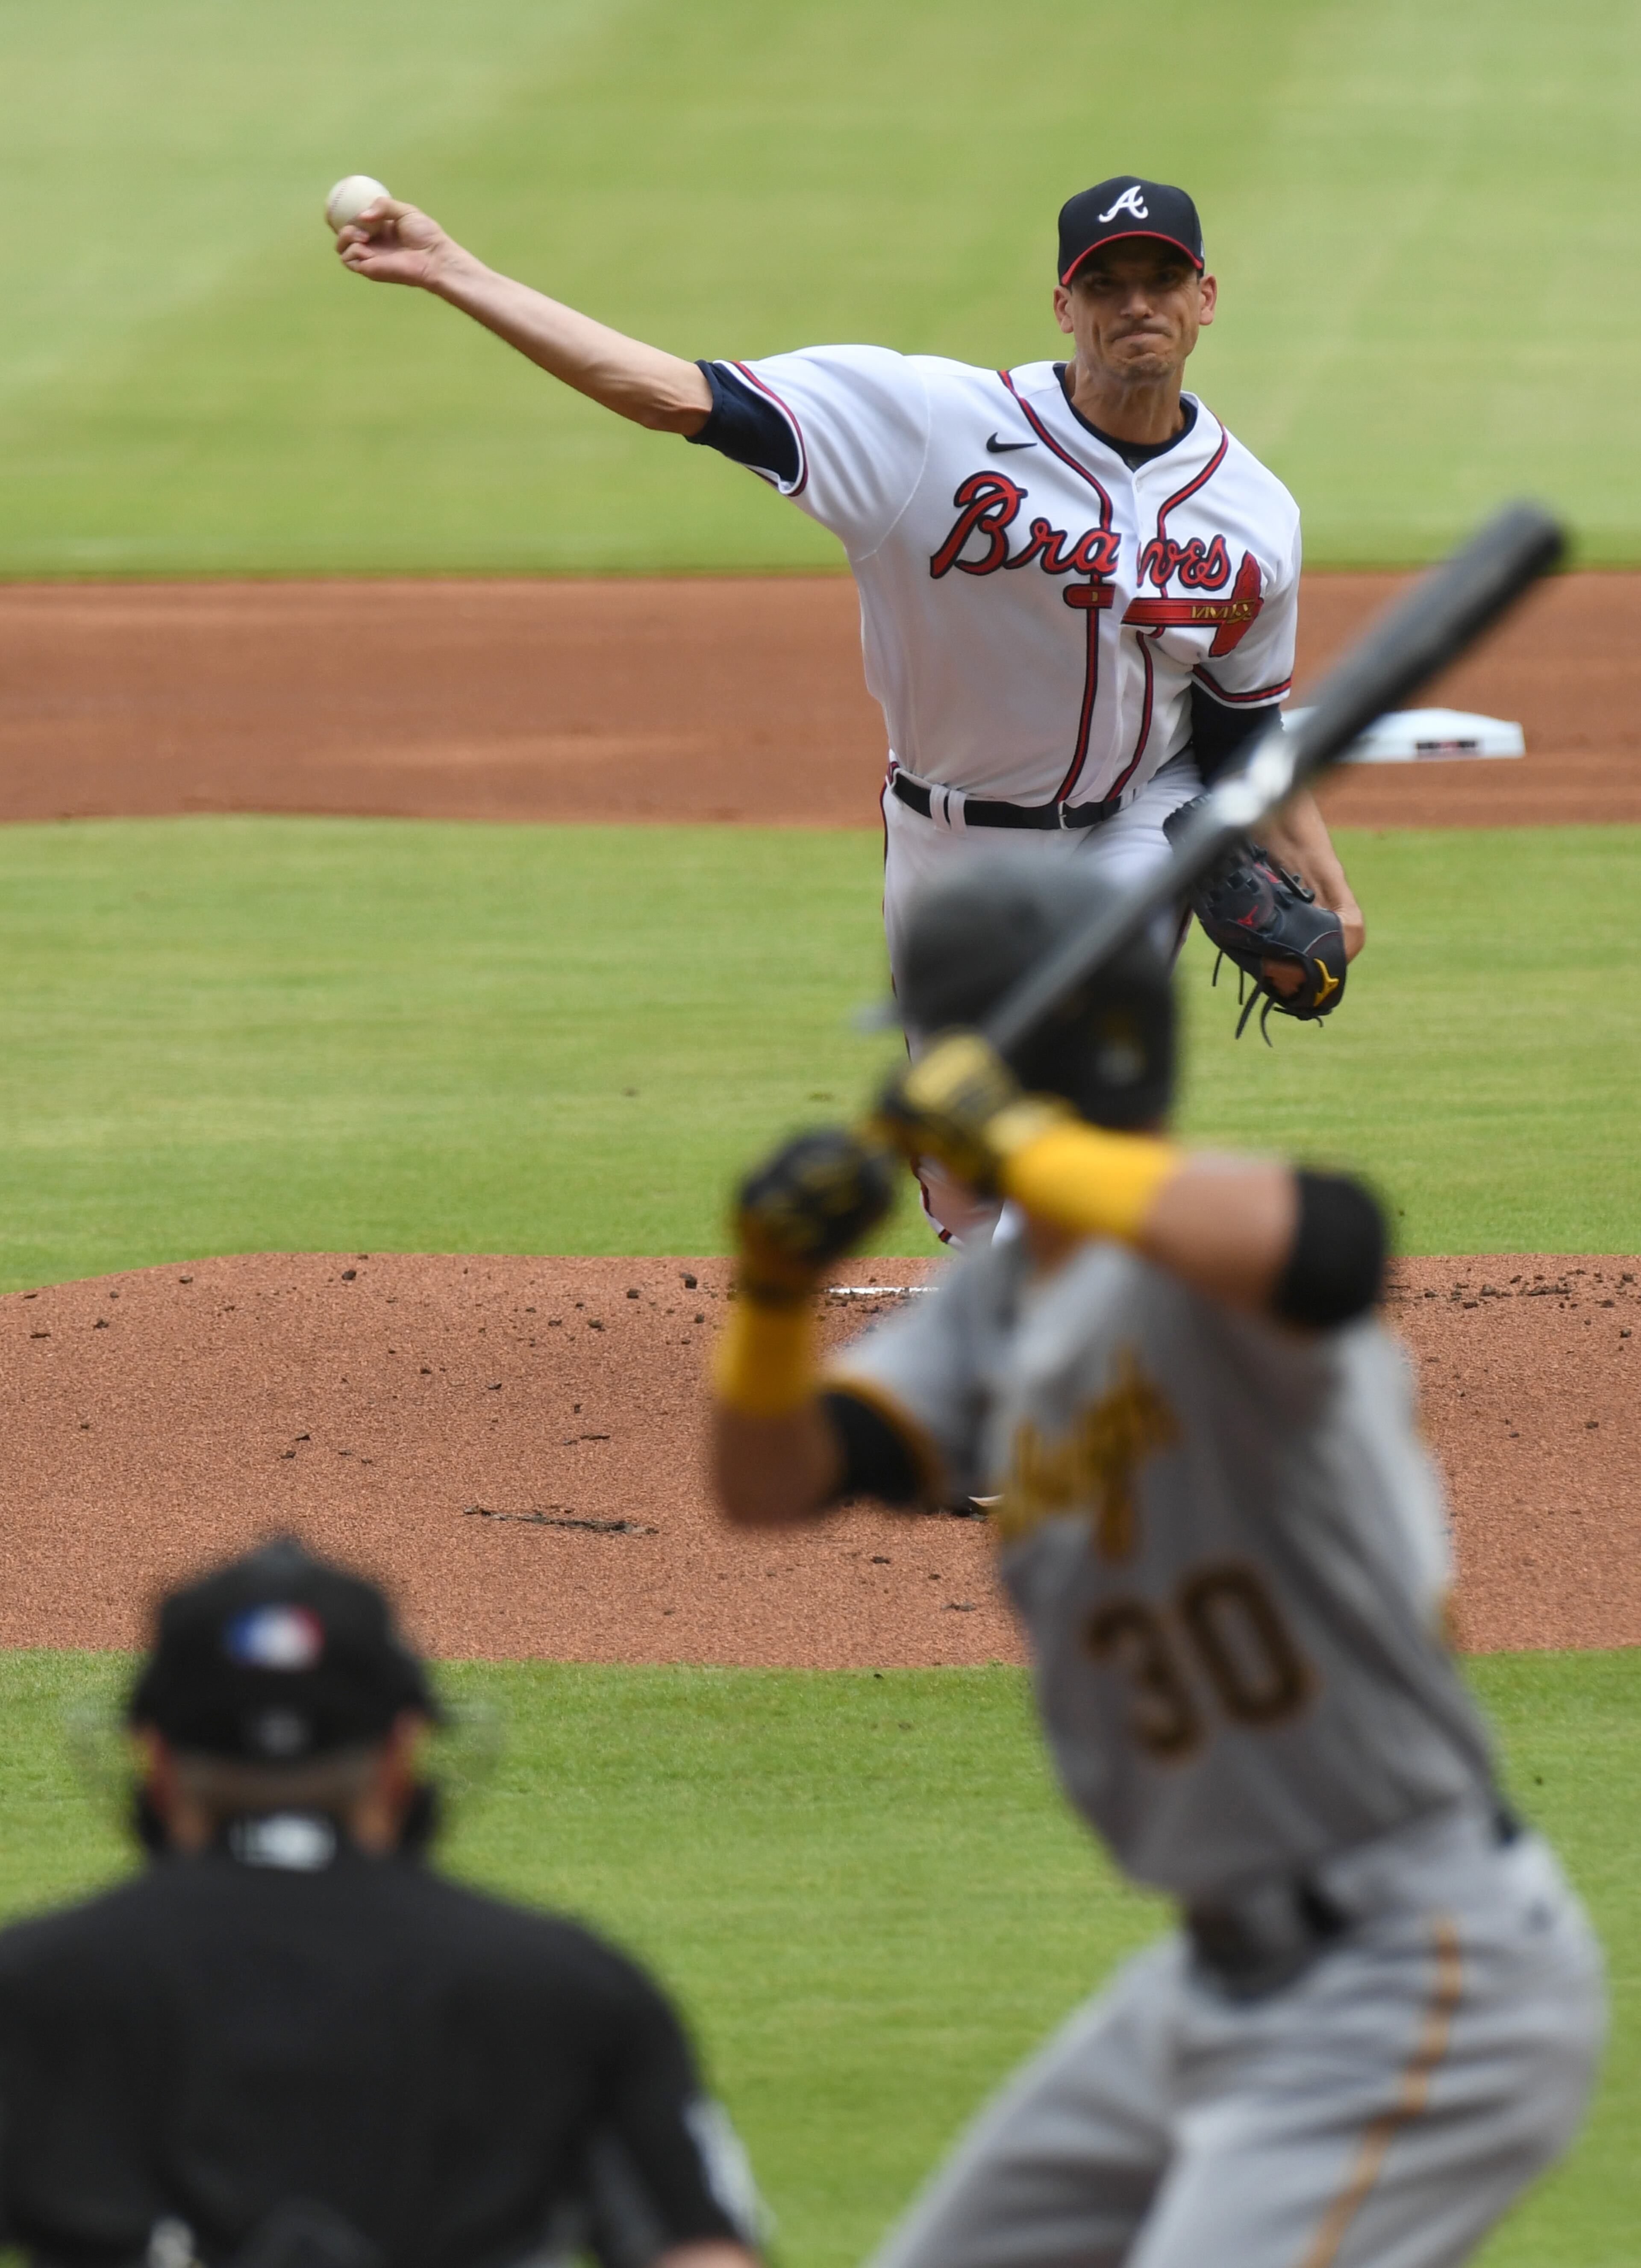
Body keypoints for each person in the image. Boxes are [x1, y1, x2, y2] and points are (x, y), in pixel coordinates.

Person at [707, 852, 1603, 2268]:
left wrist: (1031, 1148)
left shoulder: (1222, 1270)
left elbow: (1333, 1241)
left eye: (951, 1048)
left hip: (1422, 1964)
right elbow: (769, 1483)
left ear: (1033, 1069)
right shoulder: (1001, 1307)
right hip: (1216, 1984)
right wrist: (769, 1299)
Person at [335, 173, 1364, 1239]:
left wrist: (1327, 882)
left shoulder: (1253, 510)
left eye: (1163, 278)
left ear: (1206, 297)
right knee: (968, 1180)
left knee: (1071, 1111)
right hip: (948, 841)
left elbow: (1243, 725)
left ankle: (1052, 1364)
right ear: (1065, 305)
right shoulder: (925, 425)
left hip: (1136, 828)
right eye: (1105, 282)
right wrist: (454, 272)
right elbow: (671, 393)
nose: (1136, 303)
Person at [0, 1539, 764, 2268]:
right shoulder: (572, 1986)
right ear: (401, 1757)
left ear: (157, 1762)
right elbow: (699, 2250)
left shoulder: (31, 1984)